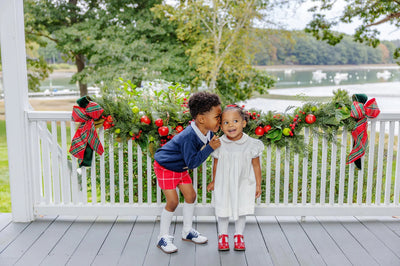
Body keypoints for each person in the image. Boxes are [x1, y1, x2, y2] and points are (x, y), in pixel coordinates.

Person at [153, 91, 222, 254]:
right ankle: (162, 237)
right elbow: (192, 163)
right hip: (166, 166)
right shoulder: (189, 136)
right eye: (217, 117)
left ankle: (187, 231)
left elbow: (214, 143)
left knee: (191, 196)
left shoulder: (208, 131)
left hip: (180, 167)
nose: (220, 119)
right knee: (173, 202)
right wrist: (211, 148)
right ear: (201, 119)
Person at [207, 105, 264, 251]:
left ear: (244, 123)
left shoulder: (251, 144)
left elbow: (256, 166)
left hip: (243, 181)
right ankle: (223, 235)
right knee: (223, 207)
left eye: (235, 121)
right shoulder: (219, 143)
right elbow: (216, 164)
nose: (231, 125)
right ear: (220, 126)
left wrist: (258, 185)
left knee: (242, 207)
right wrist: (214, 181)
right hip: (224, 182)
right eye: (226, 123)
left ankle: (239, 235)